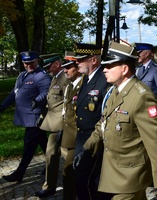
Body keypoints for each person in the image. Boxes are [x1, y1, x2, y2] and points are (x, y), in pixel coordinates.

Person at [73, 41, 157, 200]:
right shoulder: (115, 92)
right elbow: (102, 125)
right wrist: (87, 148)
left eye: (110, 66)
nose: (104, 69)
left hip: (130, 174)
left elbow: (155, 140)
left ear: (124, 69)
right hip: (115, 172)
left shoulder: (142, 96)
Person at [0, 51, 50, 182]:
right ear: (22, 63)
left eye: (31, 63)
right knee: (43, 142)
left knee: (29, 144)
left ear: (37, 61)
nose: (29, 65)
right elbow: (14, 93)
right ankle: (51, 165)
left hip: (35, 116)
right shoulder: (22, 75)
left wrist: (37, 100)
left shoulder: (42, 76)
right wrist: (3, 106)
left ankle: (19, 173)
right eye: (26, 63)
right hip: (26, 116)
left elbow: (46, 92)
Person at [73, 43, 110, 200]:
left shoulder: (103, 81)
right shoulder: (86, 79)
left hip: (96, 139)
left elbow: (106, 113)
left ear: (93, 60)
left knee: (92, 181)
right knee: (80, 179)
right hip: (83, 136)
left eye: (81, 59)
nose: (77, 63)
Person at [33, 53, 69, 198]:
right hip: (53, 122)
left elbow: (68, 103)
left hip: (62, 124)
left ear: (56, 64)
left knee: (66, 155)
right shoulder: (56, 77)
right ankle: (49, 186)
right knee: (52, 154)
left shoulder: (65, 78)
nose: (47, 69)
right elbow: (52, 102)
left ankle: (78, 183)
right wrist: (42, 117)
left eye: (49, 66)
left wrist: (64, 125)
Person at [60, 54, 84, 200]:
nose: (65, 71)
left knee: (68, 171)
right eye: (64, 68)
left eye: (69, 67)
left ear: (77, 69)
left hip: (78, 136)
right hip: (68, 135)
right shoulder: (69, 86)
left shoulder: (83, 85)